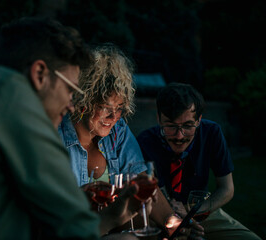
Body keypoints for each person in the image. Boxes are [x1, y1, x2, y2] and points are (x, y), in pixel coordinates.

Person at [0, 16, 143, 240]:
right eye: (70, 89)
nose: (71, 104)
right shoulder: (17, 106)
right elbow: (72, 229)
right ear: (39, 73)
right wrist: (114, 217)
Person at [58, 44, 204, 239]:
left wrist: (173, 223)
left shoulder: (117, 132)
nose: (113, 116)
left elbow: (142, 182)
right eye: (105, 107)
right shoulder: (56, 136)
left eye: (119, 108)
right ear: (84, 100)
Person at [137, 82, 262, 240]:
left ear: (199, 120)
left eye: (188, 126)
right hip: (160, 213)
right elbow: (151, 195)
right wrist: (174, 218)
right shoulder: (145, 142)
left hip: (203, 211)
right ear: (159, 119)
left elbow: (227, 189)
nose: (179, 136)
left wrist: (194, 212)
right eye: (170, 126)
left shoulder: (211, 133)